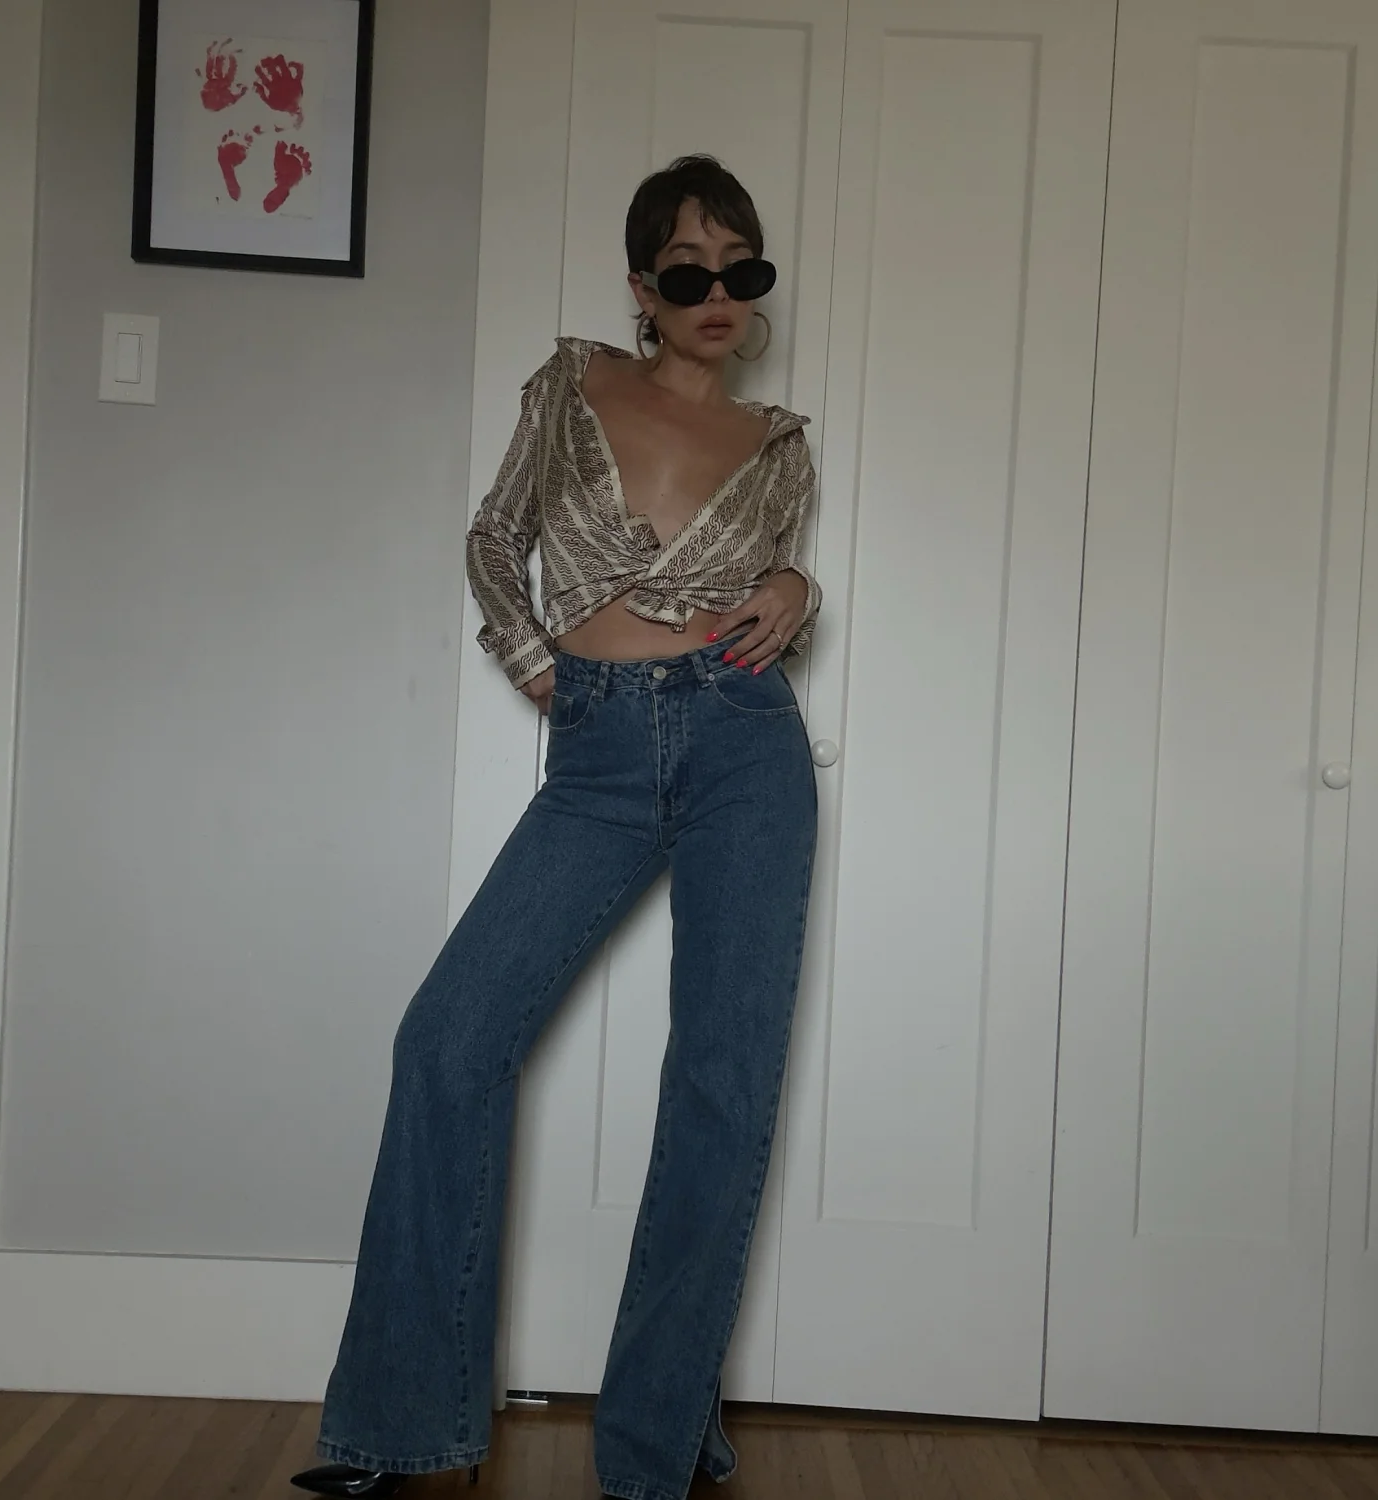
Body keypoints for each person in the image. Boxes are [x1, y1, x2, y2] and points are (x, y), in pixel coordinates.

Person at [293, 155, 821, 1500]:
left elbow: (763, 579)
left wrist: (796, 585)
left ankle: (653, 1453)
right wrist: (541, 668)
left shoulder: (779, 445)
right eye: (689, 271)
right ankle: (405, 1431)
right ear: (644, 288)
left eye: (742, 270)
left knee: (721, 1085)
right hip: (599, 750)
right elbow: (494, 538)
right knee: (448, 1042)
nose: (718, 293)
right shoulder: (573, 385)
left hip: (746, 746)